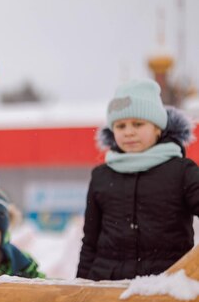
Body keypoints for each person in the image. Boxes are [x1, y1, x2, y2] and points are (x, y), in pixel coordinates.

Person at [77, 78, 199, 280]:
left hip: (167, 288)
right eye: (121, 126)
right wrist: (79, 288)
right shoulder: (101, 176)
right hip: (106, 288)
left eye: (138, 124)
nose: (129, 132)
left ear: (157, 128)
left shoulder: (182, 172)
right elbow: (90, 242)